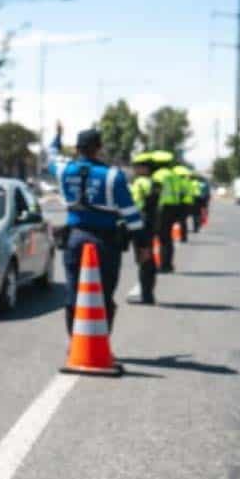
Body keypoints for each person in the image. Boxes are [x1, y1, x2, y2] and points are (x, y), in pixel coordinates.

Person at [49, 122, 149, 335]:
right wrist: (142, 244)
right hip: (106, 242)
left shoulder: (63, 170)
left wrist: (58, 135)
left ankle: (74, 345)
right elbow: (132, 215)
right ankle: (100, 345)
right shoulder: (113, 176)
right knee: (103, 296)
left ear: (77, 149)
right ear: (99, 148)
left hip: (74, 239)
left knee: (74, 294)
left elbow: (52, 155)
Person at [128, 153, 162, 304]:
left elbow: (134, 203)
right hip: (152, 223)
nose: (134, 169)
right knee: (148, 258)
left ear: (145, 168)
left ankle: (146, 296)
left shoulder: (140, 182)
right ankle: (148, 294)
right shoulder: (155, 183)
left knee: (144, 259)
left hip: (140, 224)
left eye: (137, 166)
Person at [150, 154, 181, 272]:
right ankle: (168, 264)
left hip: (162, 207)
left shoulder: (158, 175)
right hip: (174, 207)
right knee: (168, 237)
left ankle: (164, 265)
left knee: (162, 238)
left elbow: (155, 193)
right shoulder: (174, 175)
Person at [173, 164, 195, 243]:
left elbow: (180, 193)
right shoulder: (188, 182)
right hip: (188, 203)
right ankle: (184, 237)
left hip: (180, 203)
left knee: (176, 220)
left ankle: (176, 235)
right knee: (183, 221)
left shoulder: (178, 182)